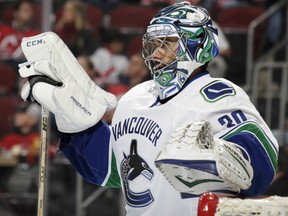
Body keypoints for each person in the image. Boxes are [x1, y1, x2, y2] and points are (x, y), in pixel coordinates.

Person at [18, 2, 278, 215]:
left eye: (167, 43)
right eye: (153, 45)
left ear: (198, 45)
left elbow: (262, 163)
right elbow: (110, 171)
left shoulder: (218, 94)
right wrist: (77, 124)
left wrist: (223, 157)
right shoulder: (135, 97)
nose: (157, 53)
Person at [0, 0, 40, 66]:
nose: (29, 13)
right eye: (25, 10)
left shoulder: (34, 34)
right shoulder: (3, 30)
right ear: (16, 13)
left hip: (19, 69)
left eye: (30, 10)